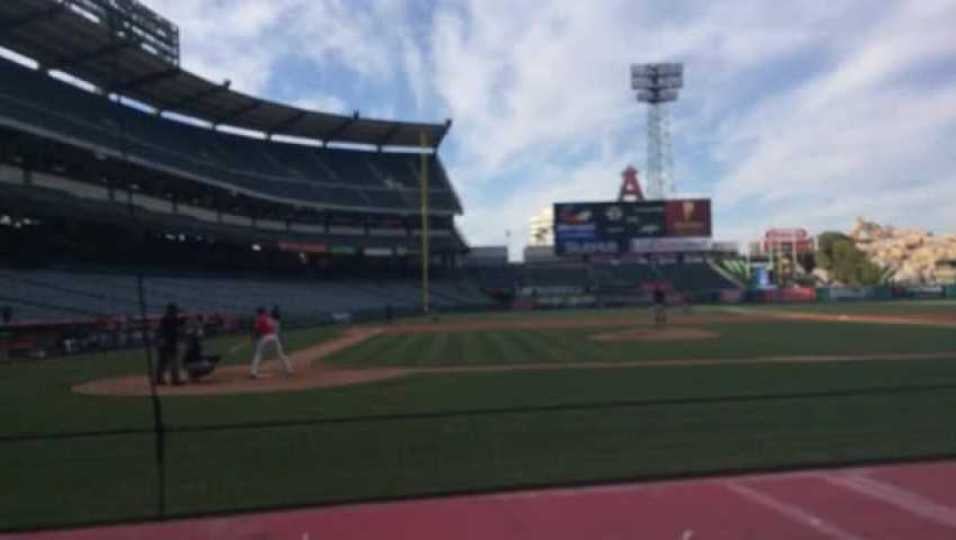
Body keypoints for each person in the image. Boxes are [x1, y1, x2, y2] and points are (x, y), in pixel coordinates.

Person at [250, 307, 293, 379]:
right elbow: (272, 327)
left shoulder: (259, 319)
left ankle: (253, 372)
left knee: (258, 355)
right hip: (274, 337)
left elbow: (256, 330)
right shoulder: (269, 318)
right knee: (281, 354)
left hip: (265, 338)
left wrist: (254, 336)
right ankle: (289, 370)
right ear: (264, 312)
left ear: (259, 313)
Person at [182, 315, 220, 382]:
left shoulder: (192, 344)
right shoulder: (193, 346)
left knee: (209, 362)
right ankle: (193, 375)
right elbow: (196, 356)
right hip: (190, 365)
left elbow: (199, 355)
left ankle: (193, 375)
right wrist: (211, 358)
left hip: (189, 365)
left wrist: (212, 357)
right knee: (209, 365)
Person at [155, 303, 184, 385]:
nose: (176, 313)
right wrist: (161, 341)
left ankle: (173, 379)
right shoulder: (164, 320)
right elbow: (160, 332)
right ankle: (161, 380)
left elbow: (178, 331)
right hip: (164, 344)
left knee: (170, 362)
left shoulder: (175, 320)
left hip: (171, 343)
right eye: (174, 311)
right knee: (164, 362)